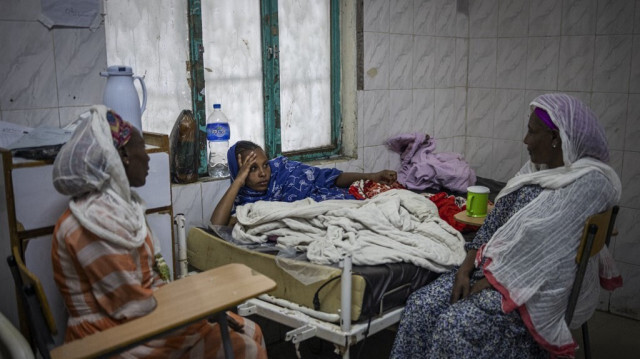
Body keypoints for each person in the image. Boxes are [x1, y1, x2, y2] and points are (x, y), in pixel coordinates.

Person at [390, 93, 622, 358]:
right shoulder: (535, 170)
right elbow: (495, 223)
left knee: (454, 324)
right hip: (492, 268)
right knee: (421, 305)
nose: (525, 140)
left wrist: (487, 284)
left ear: (556, 139)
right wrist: (465, 270)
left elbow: (542, 253)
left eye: (532, 132)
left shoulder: (589, 183)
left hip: (533, 289)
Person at [51, 106, 267, 358]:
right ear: (122, 158)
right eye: (141, 150)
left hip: (144, 314)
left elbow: (148, 283)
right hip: (113, 335)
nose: (148, 158)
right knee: (246, 348)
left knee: (251, 329)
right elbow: (131, 307)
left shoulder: (119, 210)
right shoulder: (90, 225)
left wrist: (193, 302)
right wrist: (197, 308)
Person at [211, 140, 398, 225]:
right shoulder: (244, 204)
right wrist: (237, 183)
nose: (263, 173)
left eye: (265, 165)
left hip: (342, 205)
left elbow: (331, 177)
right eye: (252, 169)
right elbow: (216, 225)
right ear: (239, 172)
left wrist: (373, 176)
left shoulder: (285, 172)